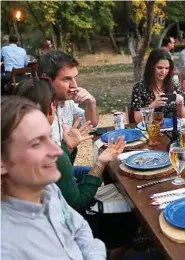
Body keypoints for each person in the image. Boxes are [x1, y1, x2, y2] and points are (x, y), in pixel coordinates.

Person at [13, 78, 138, 260]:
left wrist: (68, 148)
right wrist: (100, 164)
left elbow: (62, 175)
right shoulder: (49, 152)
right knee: (131, 207)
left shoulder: (17, 144)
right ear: (51, 108)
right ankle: (115, 249)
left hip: (45, 223)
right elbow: (79, 201)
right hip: (72, 223)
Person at [1, 96, 106, 259]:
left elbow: (81, 230)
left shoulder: (49, 190)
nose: (57, 152)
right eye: (36, 144)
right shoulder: (8, 248)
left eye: (50, 137)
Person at [38, 50, 99, 146]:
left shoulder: (67, 102)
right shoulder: (34, 112)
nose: (74, 85)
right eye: (67, 79)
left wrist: (91, 103)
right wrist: (68, 148)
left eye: (75, 78)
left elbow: (90, 124)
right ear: (46, 79)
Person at [131, 49, 185, 122]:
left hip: (171, 128)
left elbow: (183, 116)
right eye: (159, 67)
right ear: (151, 66)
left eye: (166, 68)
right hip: (150, 129)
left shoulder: (174, 85)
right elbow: (138, 119)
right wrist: (152, 106)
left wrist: (180, 104)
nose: (163, 72)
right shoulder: (139, 88)